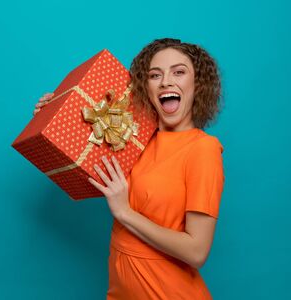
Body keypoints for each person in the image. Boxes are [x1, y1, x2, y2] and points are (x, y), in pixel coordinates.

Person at [34, 38, 224, 300]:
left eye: (178, 72)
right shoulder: (137, 139)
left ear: (198, 85)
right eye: (155, 75)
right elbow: (78, 162)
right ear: (145, 87)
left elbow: (196, 251)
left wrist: (125, 213)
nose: (166, 81)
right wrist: (54, 112)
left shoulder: (203, 149)